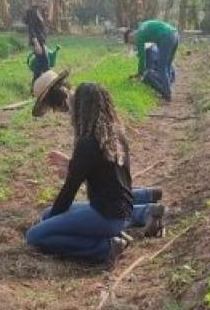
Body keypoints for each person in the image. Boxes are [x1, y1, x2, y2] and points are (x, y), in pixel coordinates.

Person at [26, 79, 165, 268]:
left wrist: (53, 221)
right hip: (122, 210)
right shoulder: (115, 132)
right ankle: (141, 212)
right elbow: (100, 170)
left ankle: (104, 248)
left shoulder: (87, 142)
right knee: (46, 214)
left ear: (81, 108)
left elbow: (68, 192)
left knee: (35, 235)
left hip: (106, 217)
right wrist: (72, 167)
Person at [126, 19, 179, 100]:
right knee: (167, 65)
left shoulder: (139, 37)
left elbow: (142, 58)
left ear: (131, 36)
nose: (134, 44)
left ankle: (167, 94)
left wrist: (140, 73)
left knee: (162, 67)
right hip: (175, 34)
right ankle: (168, 88)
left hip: (166, 37)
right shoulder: (143, 26)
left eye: (131, 42)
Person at [24, 0, 50, 85]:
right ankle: (45, 86)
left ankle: (37, 87)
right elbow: (31, 29)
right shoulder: (32, 12)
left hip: (41, 42)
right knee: (45, 65)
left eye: (46, 2)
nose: (45, 4)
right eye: (44, 2)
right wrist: (36, 45)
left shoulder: (39, 11)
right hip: (37, 43)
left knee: (40, 67)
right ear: (37, 0)